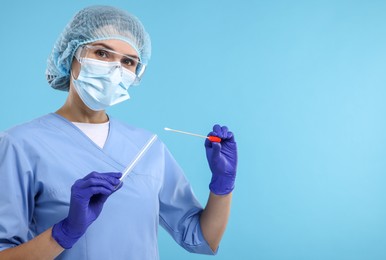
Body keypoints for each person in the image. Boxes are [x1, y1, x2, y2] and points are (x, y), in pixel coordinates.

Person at [0, 5, 237, 260]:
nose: (115, 70)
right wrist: (64, 233)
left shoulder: (148, 146)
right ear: (71, 55)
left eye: (128, 61)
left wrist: (222, 186)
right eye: (102, 53)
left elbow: (201, 239)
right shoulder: (19, 144)